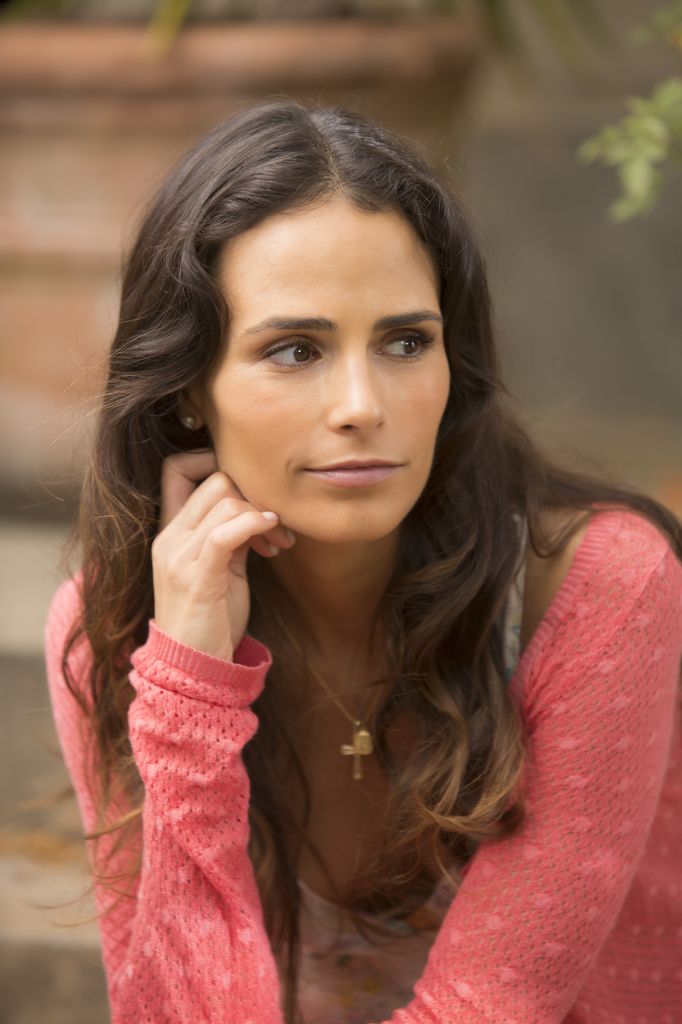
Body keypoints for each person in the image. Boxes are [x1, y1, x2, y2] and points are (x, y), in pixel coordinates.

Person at [44, 99, 682, 1024]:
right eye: (294, 349)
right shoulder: (111, 629)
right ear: (187, 388)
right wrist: (189, 687)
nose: (361, 405)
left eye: (405, 342)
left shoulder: (595, 589)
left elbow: (491, 1010)